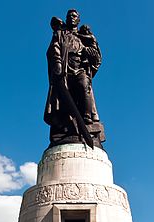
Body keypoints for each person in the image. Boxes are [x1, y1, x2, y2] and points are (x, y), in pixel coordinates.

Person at [43, 9, 105, 147]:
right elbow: (54, 48)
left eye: (74, 16)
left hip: (80, 68)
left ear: (78, 20)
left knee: (84, 86)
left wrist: (90, 53)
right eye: (69, 16)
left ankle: (87, 119)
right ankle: (66, 127)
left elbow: (97, 56)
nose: (71, 18)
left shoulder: (85, 36)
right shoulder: (60, 34)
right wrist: (58, 63)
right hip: (65, 69)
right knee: (64, 97)